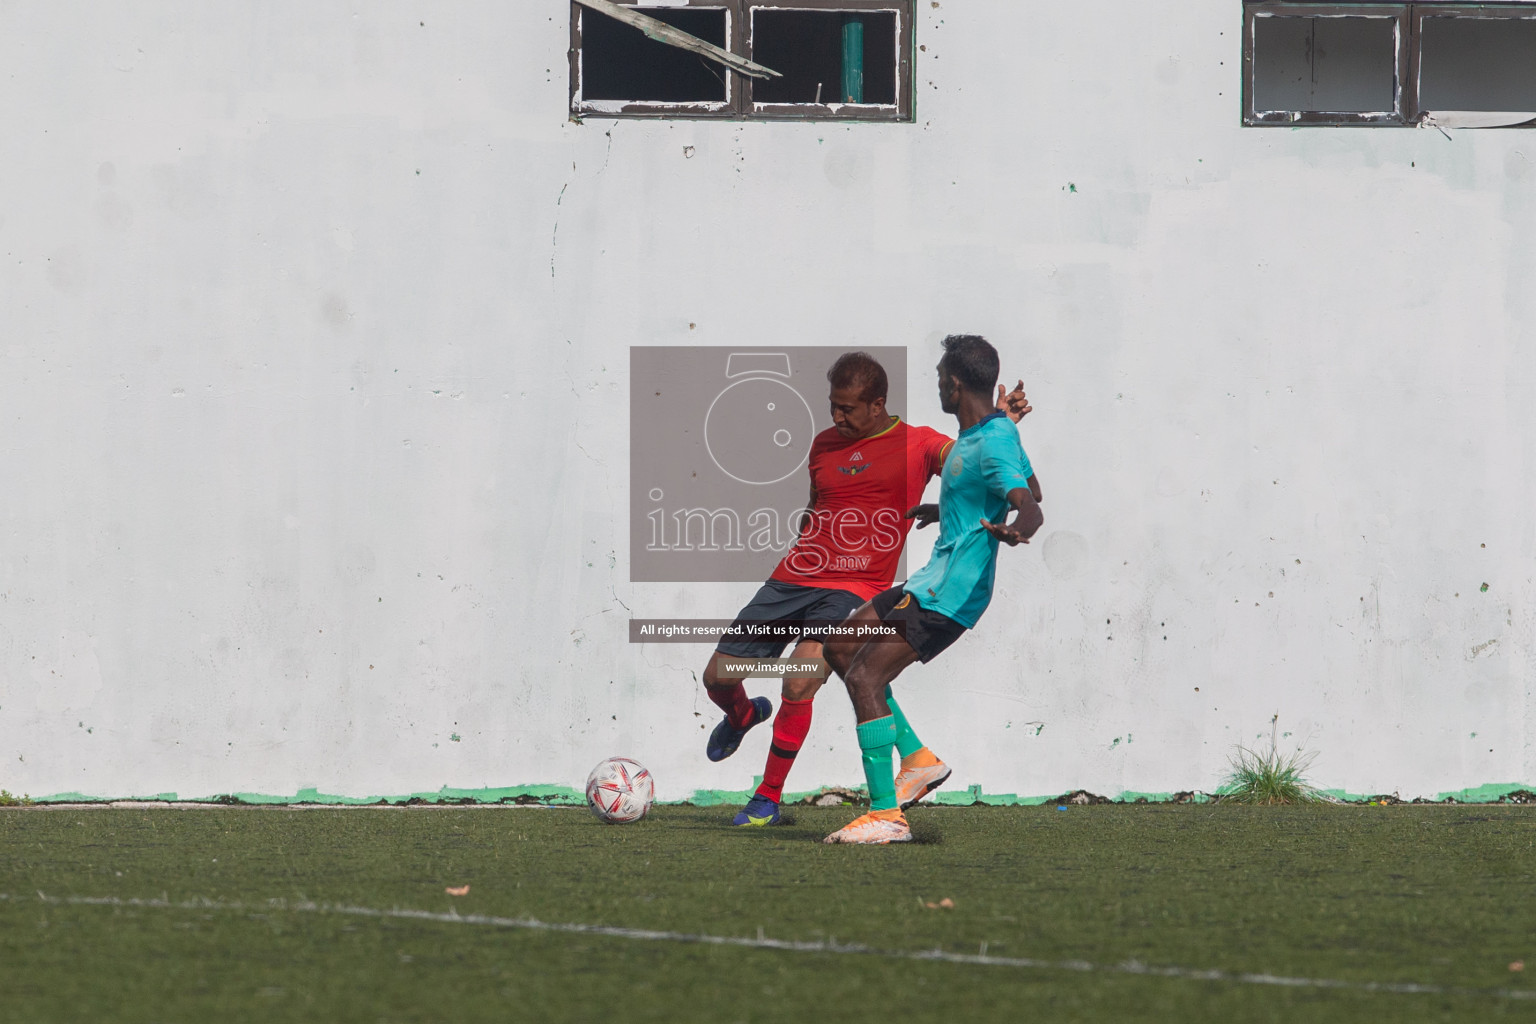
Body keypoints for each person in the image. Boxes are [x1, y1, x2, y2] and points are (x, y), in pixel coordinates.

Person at [700, 351, 1032, 826]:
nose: (837, 416)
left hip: (855, 587)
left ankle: (767, 799)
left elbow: (976, 461)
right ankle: (742, 717)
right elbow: (816, 506)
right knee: (719, 676)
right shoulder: (822, 445)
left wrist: (1002, 421)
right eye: (833, 405)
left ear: (878, 404)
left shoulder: (920, 444)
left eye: (848, 408)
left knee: (799, 679)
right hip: (793, 578)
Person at [820, 335, 1043, 845]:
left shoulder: (991, 441)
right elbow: (1023, 486)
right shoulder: (982, 433)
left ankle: (886, 816)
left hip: (952, 594)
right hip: (930, 580)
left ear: (955, 383)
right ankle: (918, 758)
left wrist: (1020, 529)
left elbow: (1030, 503)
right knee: (839, 644)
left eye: (940, 377)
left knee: (865, 680)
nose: (937, 385)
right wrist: (947, 513)